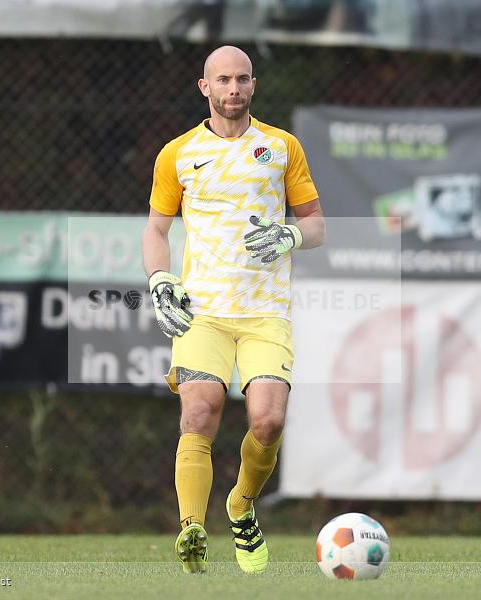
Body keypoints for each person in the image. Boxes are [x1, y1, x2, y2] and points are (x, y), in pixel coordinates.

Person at [141, 45, 325, 575]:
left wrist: (290, 234)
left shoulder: (281, 147)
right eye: (223, 80)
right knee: (199, 412)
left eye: (242, 79)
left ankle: (241, 505)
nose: (234, 89)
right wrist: (159, 280)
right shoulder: (177, 154)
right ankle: (191, 530)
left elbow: (316, 225)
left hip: (265, 312)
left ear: (253, 85)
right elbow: (156, 230)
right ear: (205, 88)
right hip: (204, 312)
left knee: (268, 421)